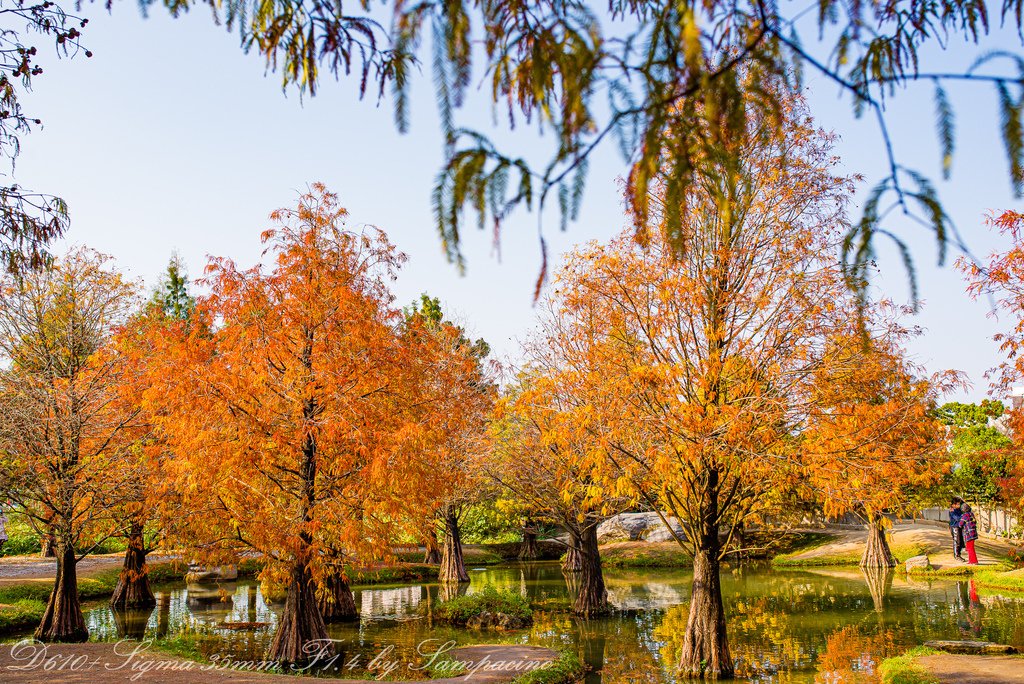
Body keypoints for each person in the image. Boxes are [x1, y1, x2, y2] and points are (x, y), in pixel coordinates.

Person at [948, 496, 965, 561]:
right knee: (957, 541)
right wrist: (963, 516)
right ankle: (956, 555)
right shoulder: (952, 510)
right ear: (953, 505)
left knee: (960, 541)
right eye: (957, 504)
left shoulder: (959, 509)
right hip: (954, 527)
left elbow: (964, 504)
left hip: (959, 526)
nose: (959, 505)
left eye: (959, 504)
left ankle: (959, 554)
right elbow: (957, 518)